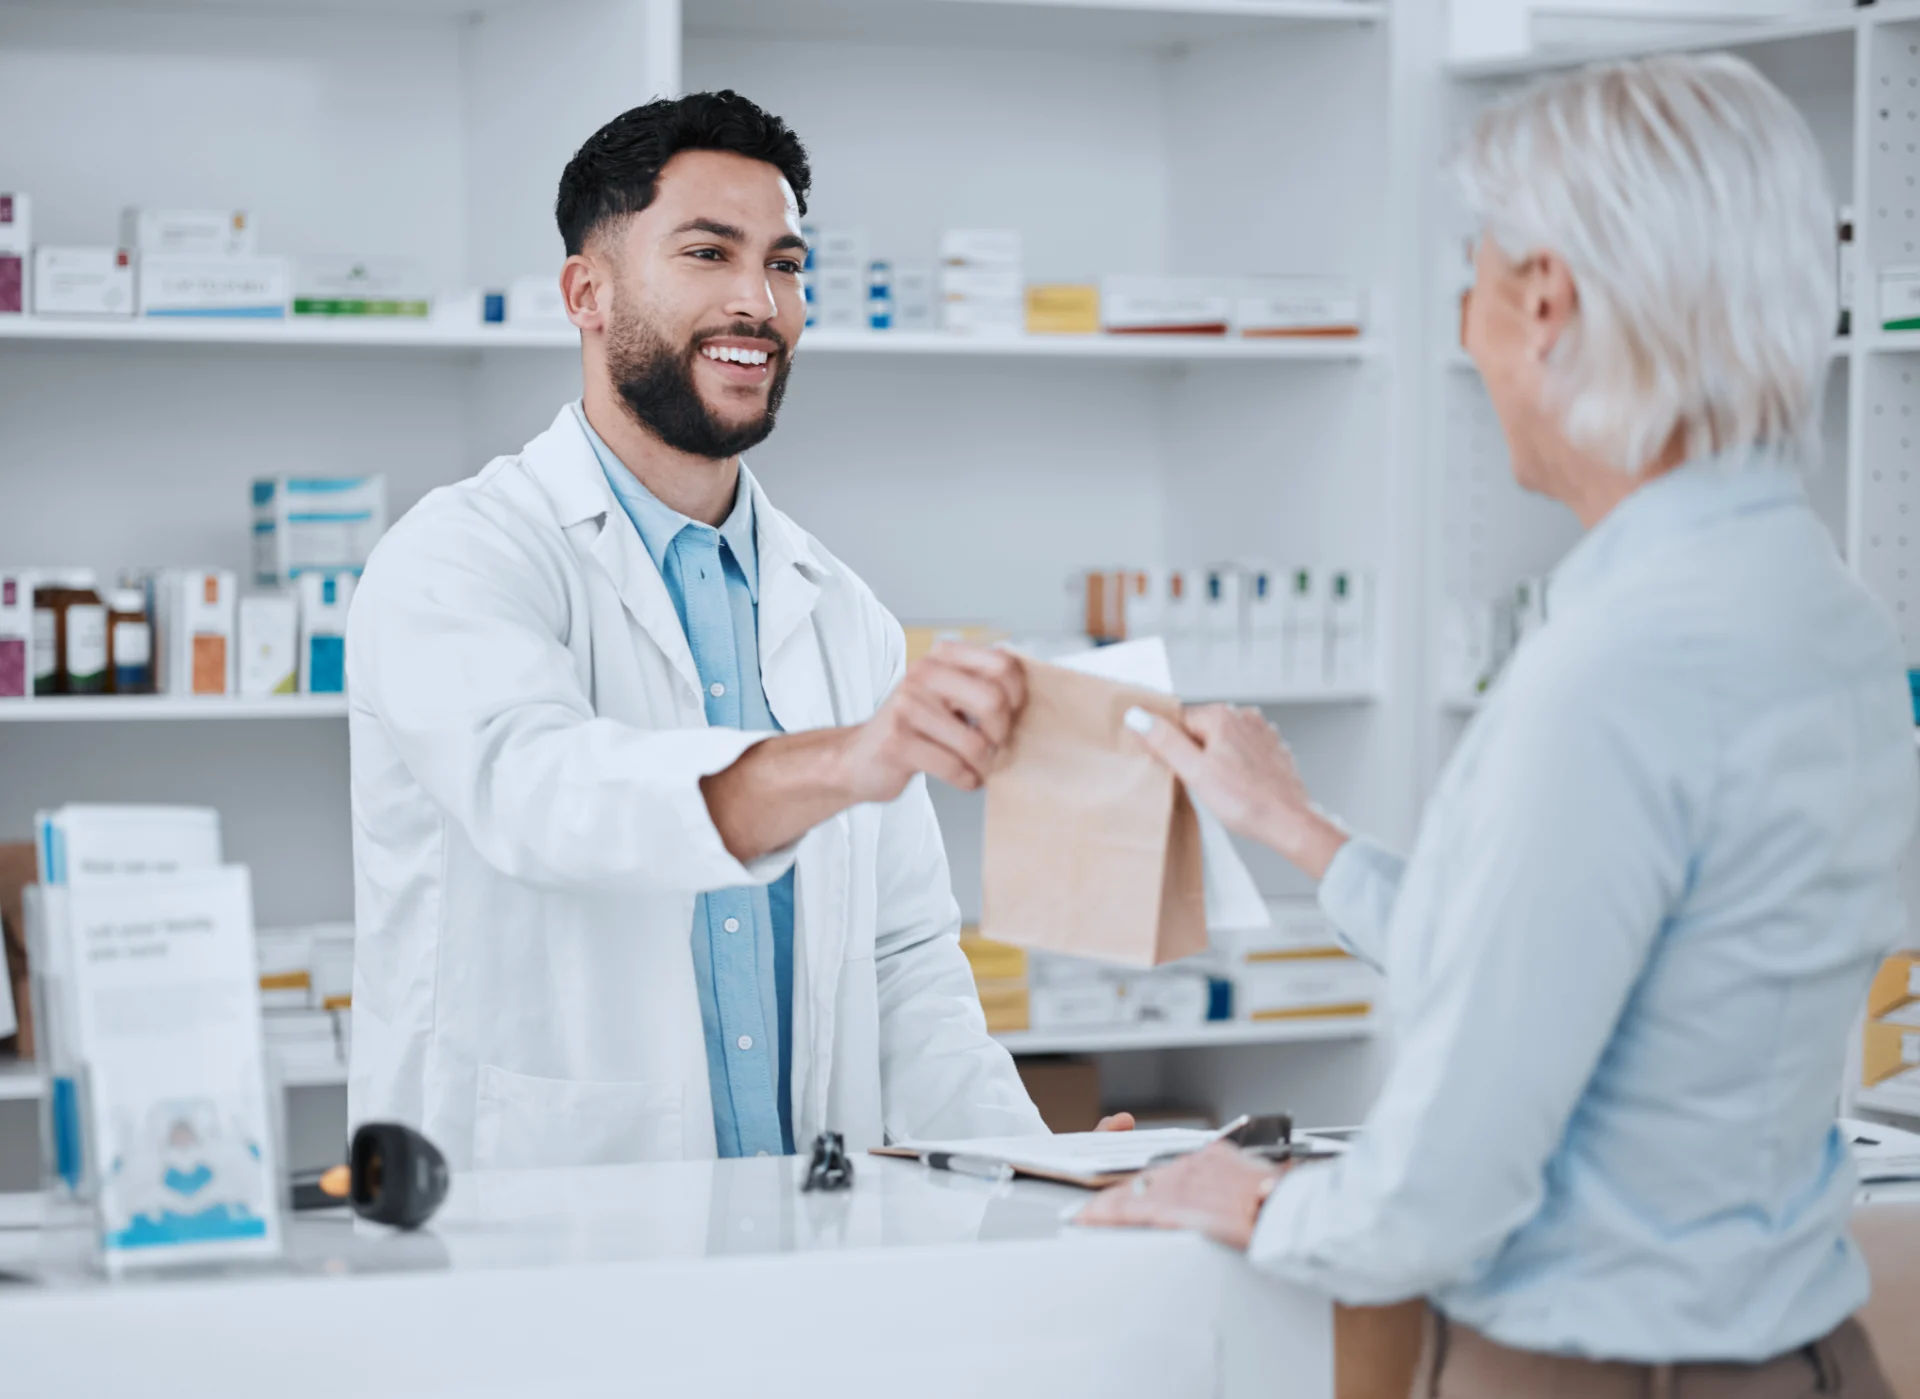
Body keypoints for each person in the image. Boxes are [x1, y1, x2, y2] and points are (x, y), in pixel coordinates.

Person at [1084, 54, 1914, 1397]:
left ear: (1545, 299)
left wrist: (1249, 1195)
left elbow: (1443, 1186)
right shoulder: (1819, 606)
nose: (1464, 324)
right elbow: (1601, 981)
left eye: (1470, 280)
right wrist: (1305, 831)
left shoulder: (1615, 668)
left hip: (1601, 1368)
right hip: (1804, 1354)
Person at [345, 91, 1110, 1170]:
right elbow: (542, 794)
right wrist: (842, 762)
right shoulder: (462, 557)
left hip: (803, 1231)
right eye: (709, 253)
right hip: (532, 1220)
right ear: (587, 293)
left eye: (787, 265)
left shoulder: (840, 609)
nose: (760, 301)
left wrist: (1034, 1167)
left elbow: (903, 963)